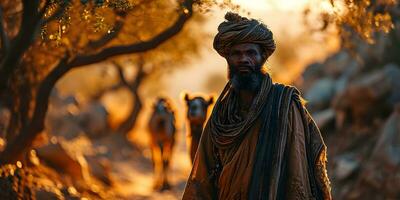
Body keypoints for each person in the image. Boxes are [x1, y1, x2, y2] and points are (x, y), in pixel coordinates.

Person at [182, 12, 332, 200]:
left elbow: (298, 168)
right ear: (228, 58)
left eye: (250, 53)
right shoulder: (221, 116)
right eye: (236, 53)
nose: (244, 59)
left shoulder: (284, 104)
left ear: (262, 57)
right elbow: (202, 176)